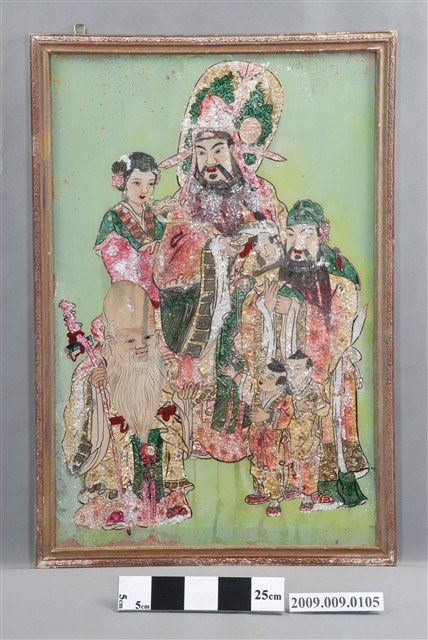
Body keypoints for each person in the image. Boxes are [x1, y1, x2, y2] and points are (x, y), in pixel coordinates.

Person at [152, 61, 288, 461]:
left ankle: (248, 435)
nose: (209, 162)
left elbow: (277, 247)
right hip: (199, 304)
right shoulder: (186, 201)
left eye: (217, 150)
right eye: (201, 152)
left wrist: (257, 251)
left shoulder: (260, 194)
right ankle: (191, 432)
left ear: (236, 152)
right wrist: (211, 246)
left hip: (249, 302)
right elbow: (168, 259)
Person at [62, 281, 195, 530]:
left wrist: (183, 403)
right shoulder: (98, 370)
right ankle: (115, 505)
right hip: (119, 436)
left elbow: (175, 402)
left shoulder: (165, 365)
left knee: (167, 448)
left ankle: (169, 501)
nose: (141, 345)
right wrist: (95, 389)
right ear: (111, 343)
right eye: (130, 340)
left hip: (158, 432)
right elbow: (85, 417)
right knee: (116, 459)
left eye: (147, 337)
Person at [277, 199, 370, 507]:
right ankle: (302, 485)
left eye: (306, 233)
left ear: (322, 232)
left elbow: (341, 321)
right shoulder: (286, 269)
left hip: (331, 363)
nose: (297, 242)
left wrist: (298, 308)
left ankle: (337, 484)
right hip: (295, 365)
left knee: (332, 420)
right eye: (291, 234)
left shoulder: (340, 271)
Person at [94, 152, 164, 306]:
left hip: (159, 292)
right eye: (137, 183)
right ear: (123, 182)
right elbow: (113, 260)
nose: (145, 190)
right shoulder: (113, 217)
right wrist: (143, 254)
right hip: (128, 296)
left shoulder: (156, 216)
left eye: (150, 183)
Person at [283, 351, 334, 512]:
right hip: (288, 435)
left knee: (308, 465)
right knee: (290, 462)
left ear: (308, 370)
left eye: (298, 369)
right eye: (289, 368)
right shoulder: (284, 389)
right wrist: (294, 406)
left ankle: (308, 495)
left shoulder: (315, 389)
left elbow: (325, 409)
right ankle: (293, 487)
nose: (292, 373)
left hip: (309, 435)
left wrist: (315, 407)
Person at [245, 360, 291, 517]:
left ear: (279, 386)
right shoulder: (259, 395)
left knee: (273, 468)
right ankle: (261, 491)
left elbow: (286, 418)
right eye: (263, 373)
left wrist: (269, 416)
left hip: (275, 441)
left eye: (270, 377)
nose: (263, 377)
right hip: (257, 438)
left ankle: (274, 499)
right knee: (257, 465)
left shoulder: (285, 399)